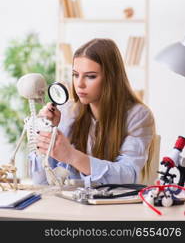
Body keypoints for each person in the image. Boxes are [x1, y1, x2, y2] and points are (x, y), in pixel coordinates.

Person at [29, 38, 156, 187]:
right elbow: (41, 182)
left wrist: (72, 155)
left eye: (90, 76)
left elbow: (128, 175)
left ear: (111, 78)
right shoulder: (66, 112)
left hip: (115, 208)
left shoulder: (138, 116)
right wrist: (45, 131)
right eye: (76, 75)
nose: (80, 84)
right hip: (71, 205)